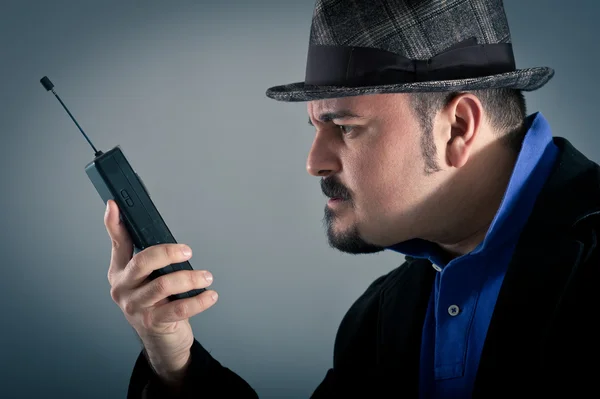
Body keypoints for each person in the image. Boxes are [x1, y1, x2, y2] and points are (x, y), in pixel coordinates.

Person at [105, 0, 600, 397]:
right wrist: (173, 359)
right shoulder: (379, 316)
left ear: (458, 127)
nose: (313, 162)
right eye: (316, 127)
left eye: (344, 126)